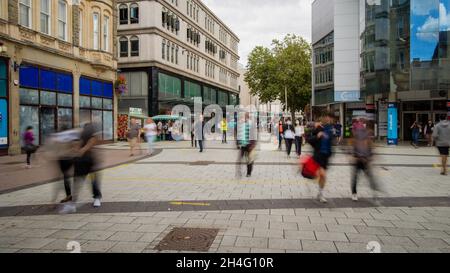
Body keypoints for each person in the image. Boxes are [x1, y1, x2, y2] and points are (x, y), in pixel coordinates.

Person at [60, 122, 102, 214]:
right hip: (80, 161)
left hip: (90, 161)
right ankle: (73, 204)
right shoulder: (79, 134)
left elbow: (92, 141)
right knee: (77, 181)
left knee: (93, 181)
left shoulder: (91, 133)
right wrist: (73, 150)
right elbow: (75, 144)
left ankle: (97, 198)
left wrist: (82, 149)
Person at [351, 119, 380, 201]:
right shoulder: (359, 135)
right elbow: (355, 147)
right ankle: (354, 193)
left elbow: (370, 149)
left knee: (370, 177)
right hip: (358, 161)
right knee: (356, 178)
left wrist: (370, 157)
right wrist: (356, 157)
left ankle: (374, 194)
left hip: (365, 161)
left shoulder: (368, 138)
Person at [308, 113, 335, 203]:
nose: (328, 120)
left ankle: (320, 192)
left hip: (326, 155)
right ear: (323, 118)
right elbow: (309, 139)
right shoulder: (318, 128)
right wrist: (317, 136)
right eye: (327, 118)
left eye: (329, 118)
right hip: (318, 155)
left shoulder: (330, 129)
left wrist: (331, 153)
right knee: (323, 175)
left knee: (323, 177)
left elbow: (331, 142)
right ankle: (321, 194)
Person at [237, 113, 256, 177]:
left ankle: (249, 173)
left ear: (247, 117)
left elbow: (254, 135)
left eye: (245, 117)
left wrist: (253, 145)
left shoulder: (251, 124)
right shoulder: (241, 124)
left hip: (249, 145)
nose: (244, 118)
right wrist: (238, 143)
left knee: (249, 160)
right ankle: (239, 171)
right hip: (243, 145)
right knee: (239, 159)